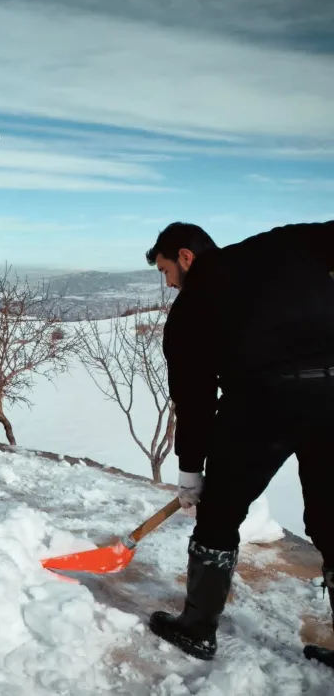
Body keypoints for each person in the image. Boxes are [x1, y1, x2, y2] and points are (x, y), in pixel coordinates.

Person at [145, 219, 334, 668]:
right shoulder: (285, 243)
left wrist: (190, 469)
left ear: (186, 256)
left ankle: (196, 629)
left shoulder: (192, 307)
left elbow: (195, 397)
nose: (169, 283)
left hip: (260, 404)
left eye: (166, 270)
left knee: (219, 515)